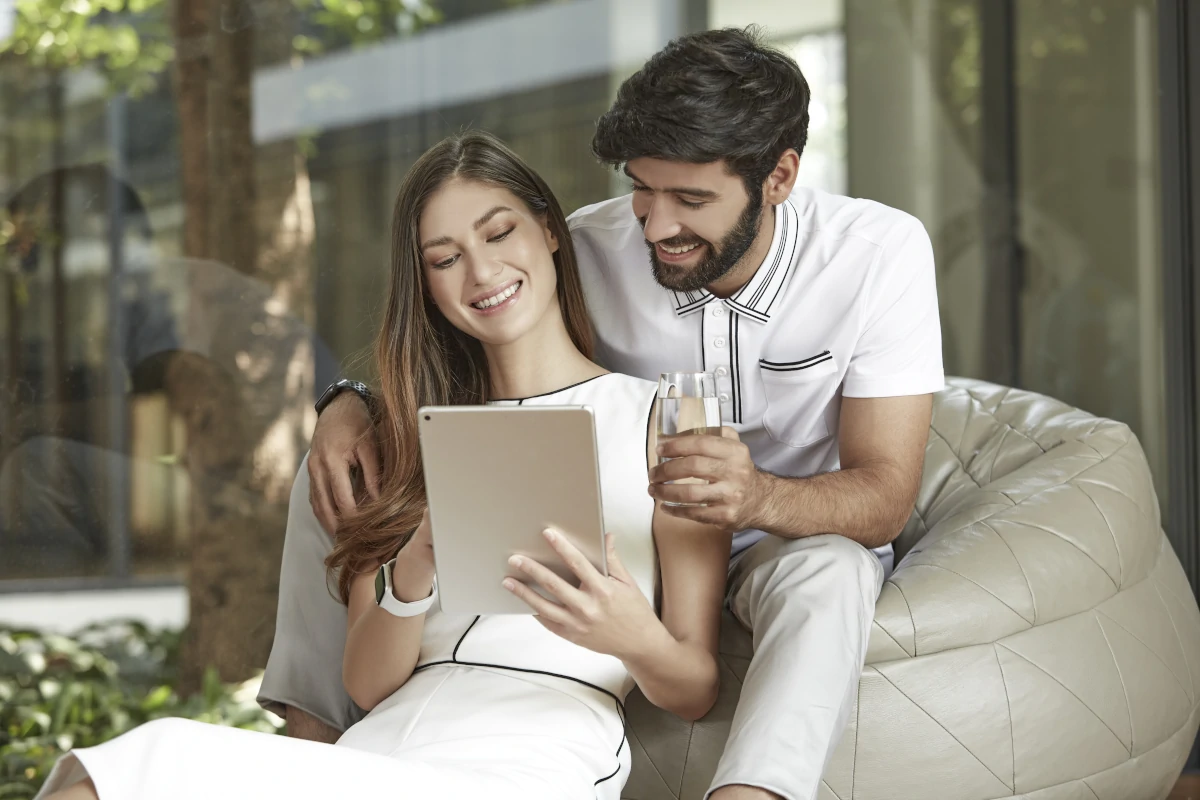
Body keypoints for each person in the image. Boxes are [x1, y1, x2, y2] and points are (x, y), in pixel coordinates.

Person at [289, 26, 944, 800]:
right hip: (628, 516)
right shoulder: (589, 245)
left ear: (779, 176)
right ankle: (307, 739)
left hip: (785, 528)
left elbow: (885, 495)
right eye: (641, 189)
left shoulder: (876, 254)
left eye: (690, 199)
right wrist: (354, 404)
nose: (657, 226)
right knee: (336, 470)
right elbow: (471, 330)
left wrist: (754, 496)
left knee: (831, 570)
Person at [34, 131, 729, 800]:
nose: (481, 272)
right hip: (385, 750)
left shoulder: (666, 423)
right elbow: (367, 687)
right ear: (424, 282)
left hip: (532, 756)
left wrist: (629, 634)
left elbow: (694, 687)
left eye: (498, 233)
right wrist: (419, 564)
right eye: (444, 256)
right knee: (119, 772)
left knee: (152, 763)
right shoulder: (398, 438)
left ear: (548, 230)